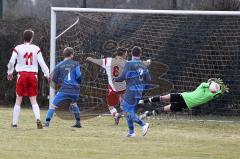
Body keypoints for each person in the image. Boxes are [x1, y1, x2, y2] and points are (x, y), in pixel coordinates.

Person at [87, 47, 151, 125]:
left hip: (113, 88)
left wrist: (90, 59)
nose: (127, 54)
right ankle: (134, 120)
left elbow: (97, 61)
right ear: (123, 54)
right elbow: (140, 64)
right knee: (125, 108)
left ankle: (116, 115)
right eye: (126, 53)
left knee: (110, 104)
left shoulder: (108, 61)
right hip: (124, 88)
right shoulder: (127, 63)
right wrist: (148, 62)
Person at [7, 29, 49, 129]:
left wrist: (10, 72)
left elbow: (12, 61)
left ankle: (14, 124)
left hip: (21, 75)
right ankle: (38, 120)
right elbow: (42, 63)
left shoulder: (18, 48)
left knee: (18, 99)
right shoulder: (36, 48)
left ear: (24, 37)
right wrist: (47, 74)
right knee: (33, 100)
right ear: (31, 38)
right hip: (32, 76)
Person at [114, 46, 151, 137]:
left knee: (125, 110)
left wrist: (115, 79)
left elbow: (123, 77)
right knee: (130, 111)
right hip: (139, 92)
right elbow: (148, 80)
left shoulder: (129, 64)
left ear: (131, 53)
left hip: (131, 91)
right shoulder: (143, 65)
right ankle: (131, 132)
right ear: (140, 54)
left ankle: (143, 124)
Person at [139, 78, 229, 113]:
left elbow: (218, 92)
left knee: (165, 109)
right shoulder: (203, 85)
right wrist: (212, 82)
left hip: (187, 104)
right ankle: (144, 101)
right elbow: (210, 86)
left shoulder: (211, 95)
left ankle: (147, 114)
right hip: (184, 96)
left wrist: (219, 87)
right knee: (164, 97)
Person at [45, 47, 82, 128]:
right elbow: (79, 76)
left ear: (64, 55)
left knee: (52, 106)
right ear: (72, 55)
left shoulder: (59, 65)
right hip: (75, 90)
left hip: (64, 90)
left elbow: (54, 80)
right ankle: (78, 122)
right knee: (73, 103)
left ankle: (47, 123)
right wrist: (78, 83)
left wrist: (51, 80)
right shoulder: (76, 64)